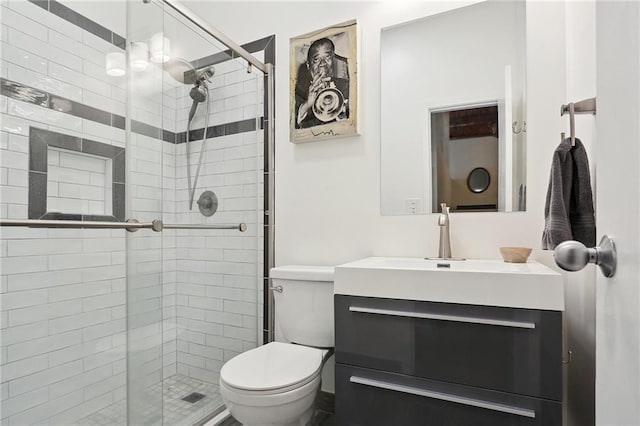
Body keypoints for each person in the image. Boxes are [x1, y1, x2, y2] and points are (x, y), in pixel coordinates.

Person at [294, 37, 350, 129]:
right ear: (308, 65)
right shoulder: (297, 94)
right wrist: (307, 104)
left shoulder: (346, 86)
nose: (322, 63)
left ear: (333, 60)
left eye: (327, 57)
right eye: (316, 60)